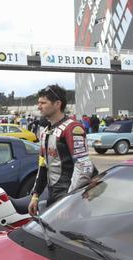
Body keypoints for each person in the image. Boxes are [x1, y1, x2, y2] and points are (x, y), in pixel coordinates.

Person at [29, 84, 96, 216]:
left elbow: (83, 166)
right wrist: (35, 194)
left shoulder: (72, 128)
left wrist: (69, 201)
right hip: (54, 196)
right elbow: (43, 165)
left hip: (73, 200)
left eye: (43, 102)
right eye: (39, 103)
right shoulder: (46, 131)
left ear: (57, 104)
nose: (39, 106)